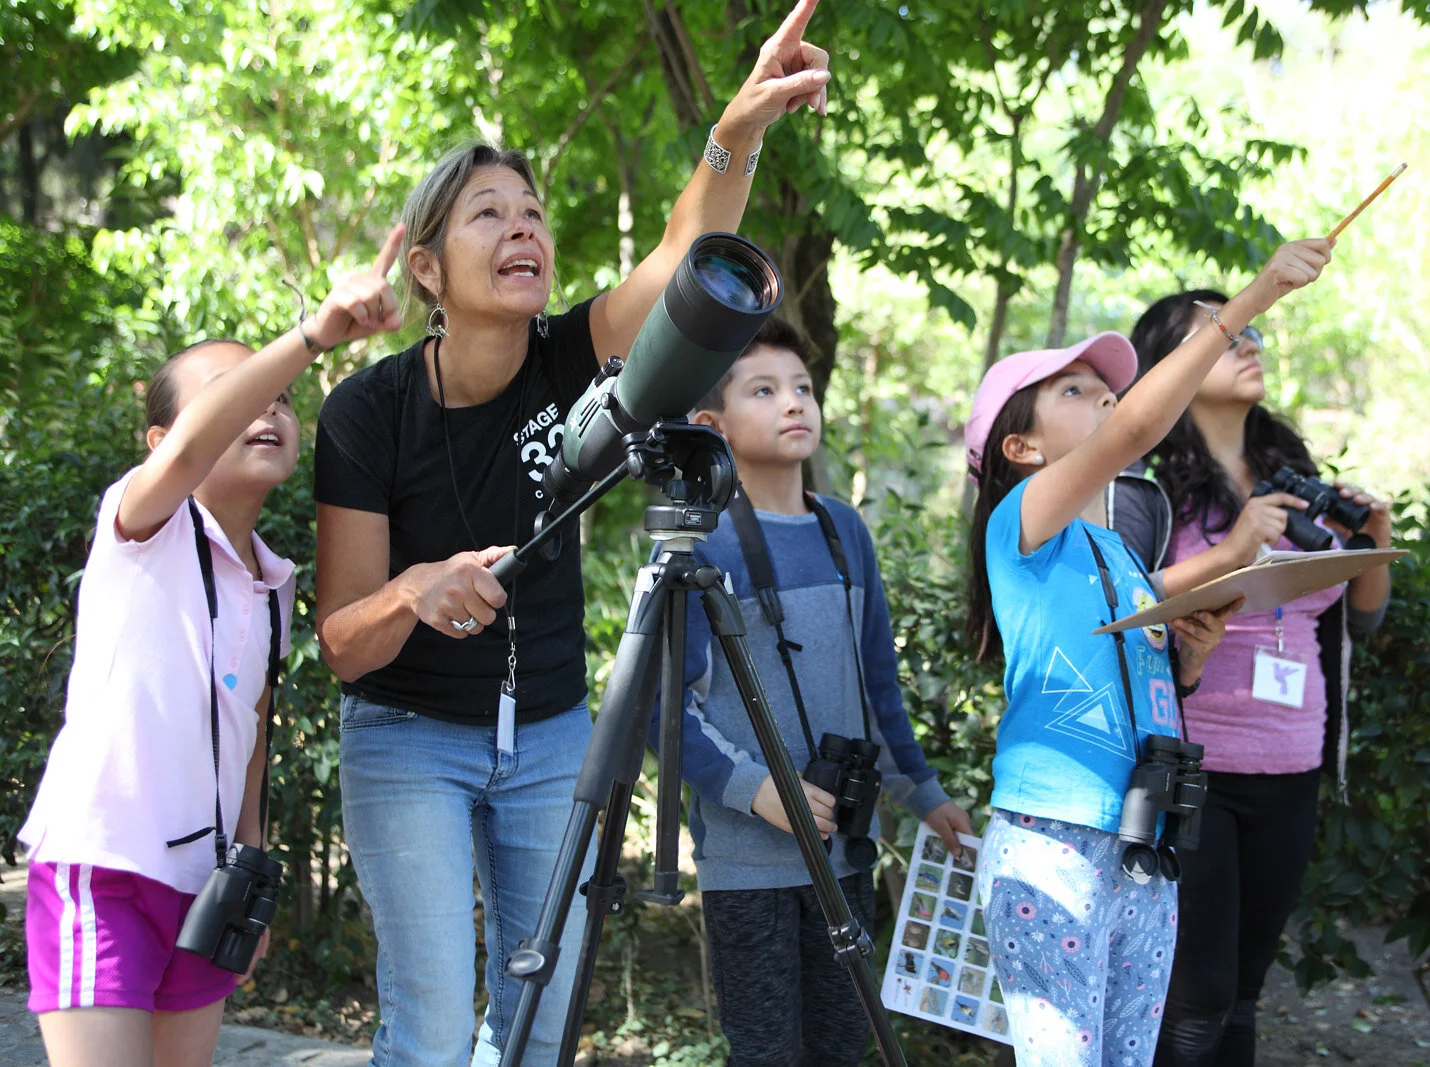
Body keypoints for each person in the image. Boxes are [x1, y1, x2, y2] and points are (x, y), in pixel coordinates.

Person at [309, 4, 832, 1063]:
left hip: (551, 737)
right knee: (432, 1021)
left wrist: (738, 131)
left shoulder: (574, 356)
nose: (525, 230)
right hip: (407, 736)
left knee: (543, 1021)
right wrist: (414, 587)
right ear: (423, 267)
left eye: (534, 213)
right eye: (488, 214)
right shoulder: (367, 413)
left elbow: (691, 250)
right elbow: (341, 640)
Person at [16, 231, 406, 1067]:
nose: (268, 409)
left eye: (281, 403)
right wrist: (311, 339)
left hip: (205, 887)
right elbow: (197, 447)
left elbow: (252, 737)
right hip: (104, 869)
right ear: (158, 439)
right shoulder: (141, 523)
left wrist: (251, 870)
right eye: (234, 396)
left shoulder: (271, 578)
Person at [962, 239, 1334, 1067]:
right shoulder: (1021, 522)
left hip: (1145, 837)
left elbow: (1154, 661)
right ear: (1021, 447)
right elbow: (1137, 425)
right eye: (1075, 391)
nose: (1107, 400)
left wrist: (1192, 653)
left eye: (1108, 390)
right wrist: (1255, 295)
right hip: (1054, 837)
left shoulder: (1121, 558)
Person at [658, 318, 972, 1066]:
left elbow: (877, 686)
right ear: (713, 425)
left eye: (801, 387)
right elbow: (665, 712)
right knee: (767, 1052)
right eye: (762, 390)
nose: (792, 402)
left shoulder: (843, 530)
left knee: (840, 1045)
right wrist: (758, 789)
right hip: (749, 862)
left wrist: (923, 793)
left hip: (846, 855)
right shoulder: (700, 542)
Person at [1125, 290, 1392, 1067]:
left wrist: (1376, 540)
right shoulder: (1147, 486)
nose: (1249, 343)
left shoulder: (1294, 473)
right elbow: (1125, 601)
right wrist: (1237, 544)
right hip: (1191, 764)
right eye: (1225, 332)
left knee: (1242, 992)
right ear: (1174, 363)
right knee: (1195, 996)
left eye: (1251, 331)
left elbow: (1364, 618)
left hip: (1293, 764)